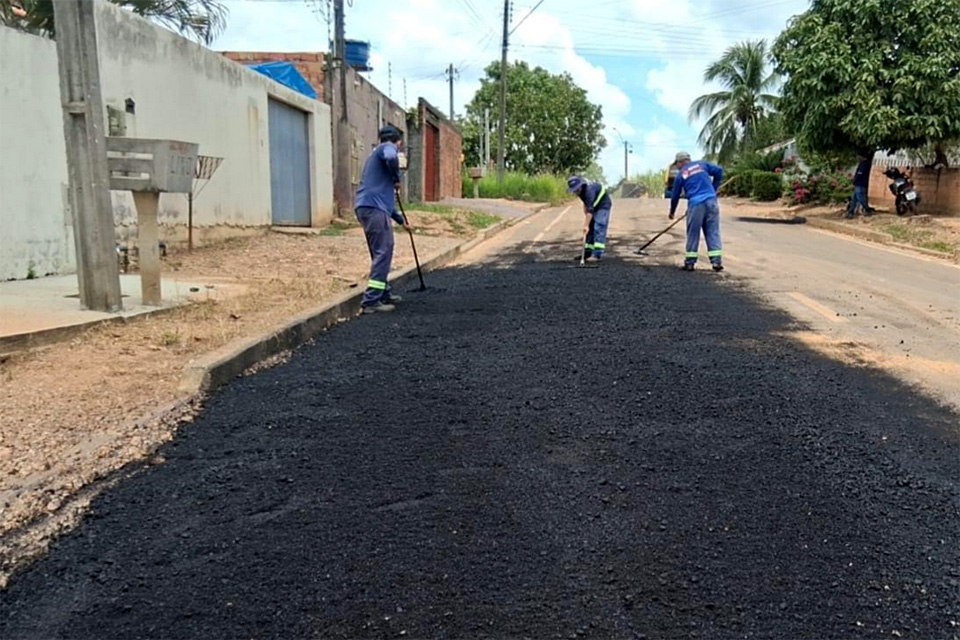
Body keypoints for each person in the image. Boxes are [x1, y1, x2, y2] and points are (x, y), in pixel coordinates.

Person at [355, 125, 410, 314]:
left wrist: (401, 220)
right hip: (373, 208)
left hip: (368, 207)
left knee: (379, 252)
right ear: (398, 142)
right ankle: (371, 300)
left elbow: (385, 203)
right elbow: (391, 156)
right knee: (383, 251)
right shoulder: (387, 149)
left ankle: (382, 291)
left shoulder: (374, 157)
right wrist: (396, 178)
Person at [669, 151, 725, 272]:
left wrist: (672, 212)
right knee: (712, 232)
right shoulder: (702, 165)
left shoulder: (681, 174)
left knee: (693, 233)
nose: (677, 166)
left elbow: (675, 195)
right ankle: (716, 262)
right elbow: (719, 170)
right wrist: (713, 189)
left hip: (696, 204)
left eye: (677, 164)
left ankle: (690, 263)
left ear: (680, 162)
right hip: (711, 202)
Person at [568, 176, 613, 262]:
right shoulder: (580, 192)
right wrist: (588, 222)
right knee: (590, 229)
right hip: (593, 205)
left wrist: (586, 225)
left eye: (577, 189)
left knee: (599, 226)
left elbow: (590, 210)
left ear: (581, 186)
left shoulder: (589, 191)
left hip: (603, 205)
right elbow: (586, 205)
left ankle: (597, 254)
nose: (576, 192)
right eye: (574, 190)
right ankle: (587, 252)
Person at [846, 153, 875, 219]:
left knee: (860, 198)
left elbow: (860, 174)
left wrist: (854, 181)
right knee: (854, 199)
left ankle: (867, 209)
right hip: (858, 184)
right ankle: (851, 212)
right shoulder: (862, 164)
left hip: (861, 184)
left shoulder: (865, 164)